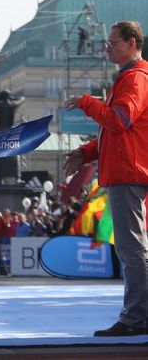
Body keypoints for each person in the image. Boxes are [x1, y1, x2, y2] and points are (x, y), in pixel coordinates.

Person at [63, 21, 148, 337]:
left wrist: (86, 102)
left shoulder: (135, 79)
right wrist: (85, 153)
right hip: (126, 171)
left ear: (131, 43)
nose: (107, 47)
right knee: (131, 247)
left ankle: (136, 317)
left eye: (113, 42)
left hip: (128, 173)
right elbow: (115, 131)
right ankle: (138, 314)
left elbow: (120, 120)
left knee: (131, 248)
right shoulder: (129, 78)